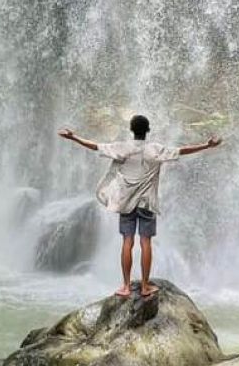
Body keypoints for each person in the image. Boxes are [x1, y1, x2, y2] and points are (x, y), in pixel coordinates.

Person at [57, 115, 222, 299]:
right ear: (148, 130)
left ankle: (126, 287)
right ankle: (144, 286)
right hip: (146, 203)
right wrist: (207, 145)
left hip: (125, 203)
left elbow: (96, 146)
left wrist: (73, 137)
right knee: (145, 243)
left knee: (127, 241)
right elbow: (182, 151)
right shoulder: (155, 149)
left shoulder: (124, 147)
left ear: (131, 130)